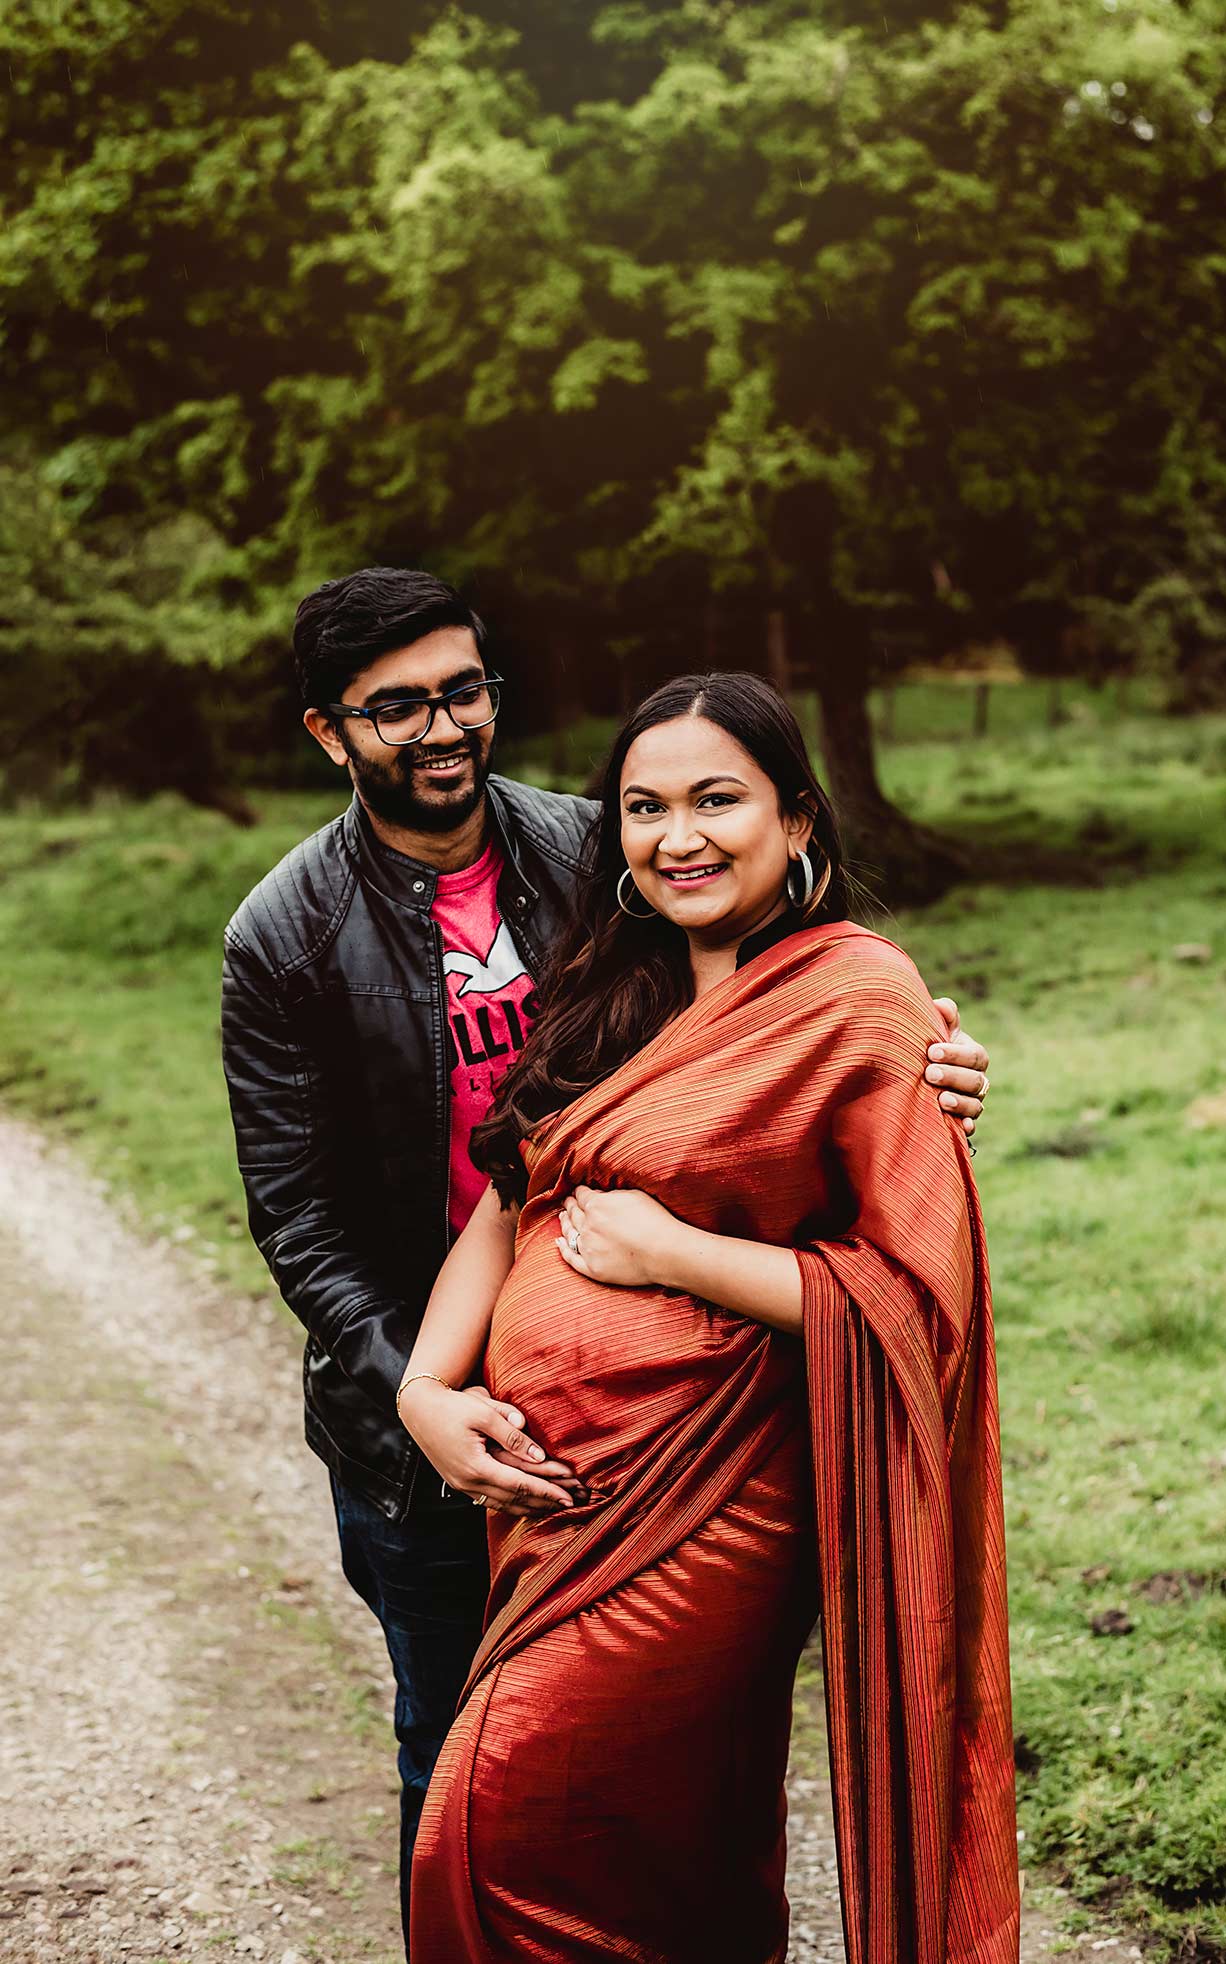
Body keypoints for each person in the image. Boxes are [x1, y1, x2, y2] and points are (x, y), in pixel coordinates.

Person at [220, 569, 994, 1950]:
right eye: (395, 708)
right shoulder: (285, 937)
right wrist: (423, 1398)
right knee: (455, 1772)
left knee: (654, 1800)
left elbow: (796, 1034)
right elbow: (314, 1218)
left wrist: (928, 1073)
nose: (442, 726)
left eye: (463, 690)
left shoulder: (597, 861)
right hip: (433, 1434)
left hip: (697, 1477)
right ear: (329, 733)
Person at [399, 672, 1018, 1964]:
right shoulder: (608, 990)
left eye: (716, 800)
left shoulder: (863, 1000)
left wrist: (676, 1251)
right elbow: (509, 1204)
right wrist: (424, 1393)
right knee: (667, 1842)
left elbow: (908, 1298)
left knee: (489, 1824)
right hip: (550, 1508)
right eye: (644, 806)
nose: (677, 836)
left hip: (722, 1507)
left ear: (797, 821)